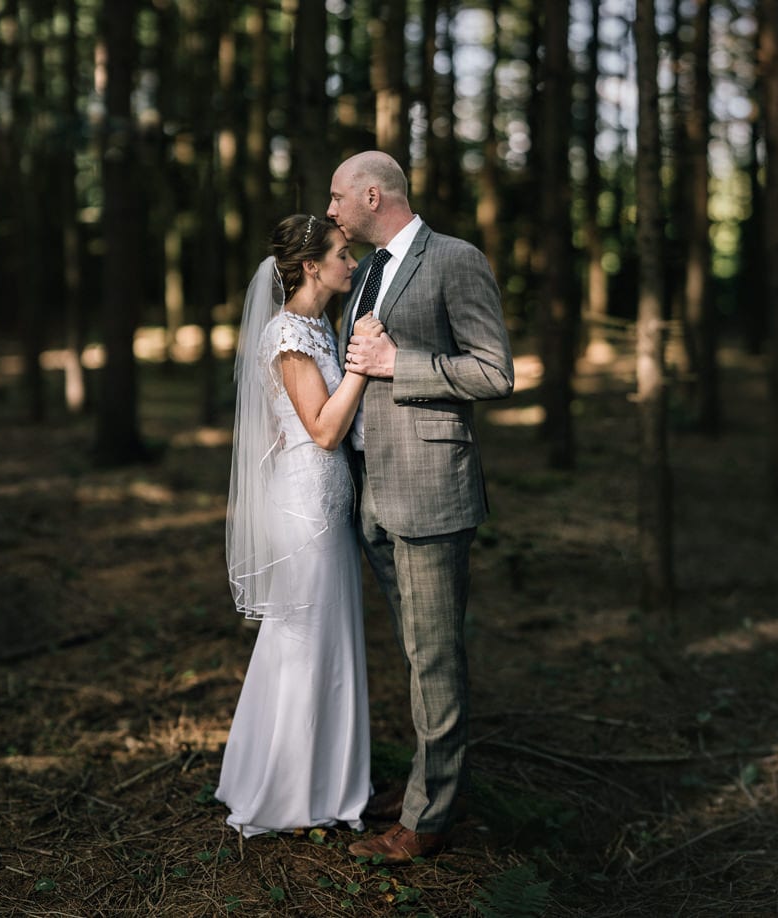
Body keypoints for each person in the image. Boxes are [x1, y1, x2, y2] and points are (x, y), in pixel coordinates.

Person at [330, 151, 515, 863]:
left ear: (373, 195)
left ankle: (429, 818)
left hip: (432, 491)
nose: (334, 210)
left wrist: (396, 365)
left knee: (436, 658)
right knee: (413, 654)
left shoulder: (454, 259)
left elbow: (494, 371)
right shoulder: (369, 270)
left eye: (340, 197)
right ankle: (422, 783)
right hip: (372, 489)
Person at [216, 214, 386, 838]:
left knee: (326, 639)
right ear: (312, 265)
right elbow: (322, 429)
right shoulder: (290, 333)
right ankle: (285, 790)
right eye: (343, 254)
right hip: (305, 508)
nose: (351, 262)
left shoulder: (317, 325)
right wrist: (365, 368)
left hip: (327, 501)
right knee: (304, 642)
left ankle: (326, 780)